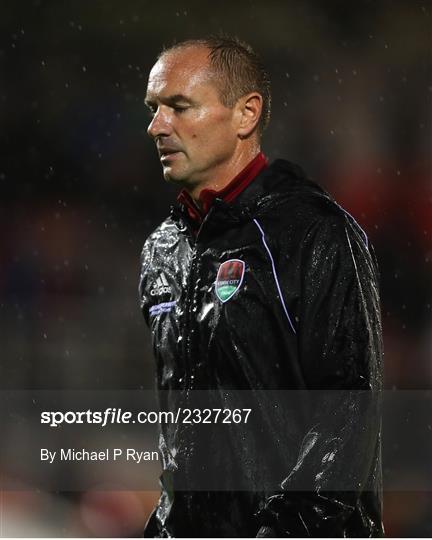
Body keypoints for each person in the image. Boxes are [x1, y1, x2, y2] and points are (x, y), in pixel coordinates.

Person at [139, 36, 384, 537]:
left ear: (246, 114)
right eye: (154, 109)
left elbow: (347, 412)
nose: (157, 126)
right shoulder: (162, 251)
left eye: (179, 107)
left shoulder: (314, 233)